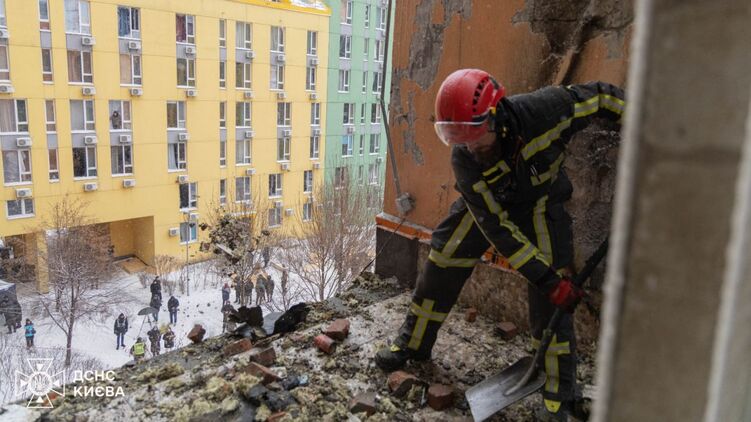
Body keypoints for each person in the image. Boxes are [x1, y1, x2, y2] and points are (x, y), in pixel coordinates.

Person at [374, 69, 625, 421]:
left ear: (495, 117)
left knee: (551, 295)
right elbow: (497, 228)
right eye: (458, 138)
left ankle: (560, 390)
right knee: (444, 259)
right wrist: (545, 278)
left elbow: (599, 96)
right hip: (489, 209)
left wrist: (640, 122)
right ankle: (413, 343)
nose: (470, 147)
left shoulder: (547, 110)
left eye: (474, 136)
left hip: (541, 204)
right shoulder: (465, 157)